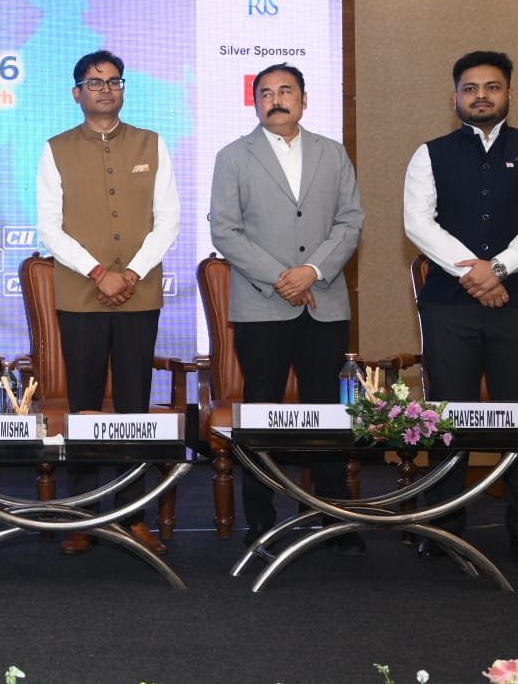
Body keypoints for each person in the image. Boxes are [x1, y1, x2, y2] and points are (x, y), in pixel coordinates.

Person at [404, 50, 518, 569]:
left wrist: (497, 268)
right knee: (446, 416)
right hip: (449, 307)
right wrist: (473, 274)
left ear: (509, 93)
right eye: (470, 88)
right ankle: (442, 525)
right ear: (455, 96)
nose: (481, 96)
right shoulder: (429, 154)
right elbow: (418, 224)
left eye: (491, 87)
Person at [210, 63, 365, 554]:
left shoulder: (332, 153)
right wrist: (282, 277)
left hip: (325, 301)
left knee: (326, 409)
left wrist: (312, 271)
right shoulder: (234, 156)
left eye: (285, 91)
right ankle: (260, 521)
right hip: (261, 304)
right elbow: (225, 229)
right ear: (255, 102)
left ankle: (331, 515)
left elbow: (350, 221)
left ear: (304, 99)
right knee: (261, 411)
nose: (275, 100)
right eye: (265, 93)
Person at [36, 49, 179, 556]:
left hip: (139, 295)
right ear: (77, 93)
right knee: (85, 406)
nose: (105, 89)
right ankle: (82, 514)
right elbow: (50, 228)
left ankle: (133, 515)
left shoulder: (151, 143)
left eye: (114, 81)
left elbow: (168, 220)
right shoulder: (55, 149)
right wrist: (98, 272)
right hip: (81, 295)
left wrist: (132, 273)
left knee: (134, 407)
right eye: (95, 82)